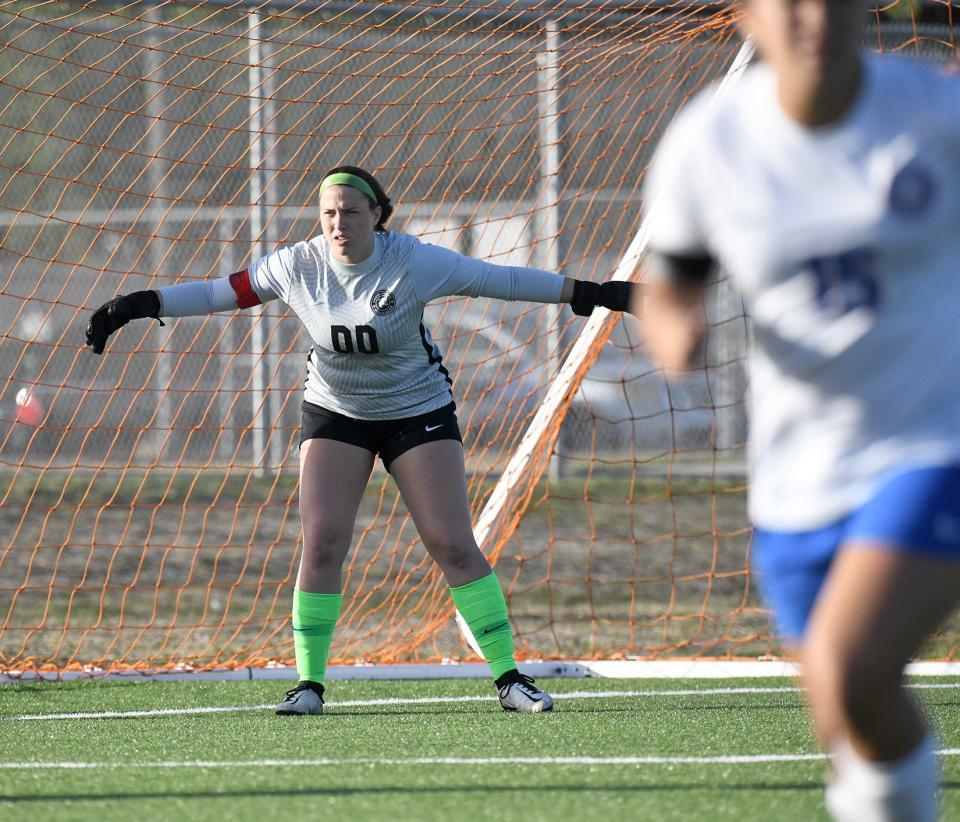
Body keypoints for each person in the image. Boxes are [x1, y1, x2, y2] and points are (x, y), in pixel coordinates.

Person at [86, 165, 634, 716]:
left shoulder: (414, 261)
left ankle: (510, 680)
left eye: (351, 211)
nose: (338, 222)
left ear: (376, 214)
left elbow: (503, 280)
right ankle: (309, 685)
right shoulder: (299, 265)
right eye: (328, 212)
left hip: (416, 409)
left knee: (450, 541)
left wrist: (594, 293)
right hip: (335, 411)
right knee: (322, 539)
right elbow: (219, 293)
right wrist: (139, 304)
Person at [636, 1, 960, 819]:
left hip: (932, 445)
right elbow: (669, 282)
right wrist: (678, 332)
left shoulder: (932, 115)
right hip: (796, 479)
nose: (812, 15)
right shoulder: (709, 144)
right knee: (850, 724)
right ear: (746, 17)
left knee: (853, 671)